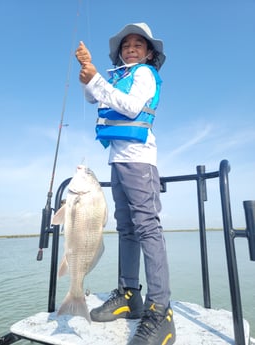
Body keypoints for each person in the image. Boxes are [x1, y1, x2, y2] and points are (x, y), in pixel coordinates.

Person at [75, 22, 176, 345]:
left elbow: (131, 107)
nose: (131, 48)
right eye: (126, 45)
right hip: (117, 162)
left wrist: (97, 79)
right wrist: (88, 73)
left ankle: (161, 309)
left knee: (147, 228)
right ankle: (130, 294)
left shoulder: (144, 74)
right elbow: (94, 98)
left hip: (139, 160)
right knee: (126, 230)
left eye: (138, 45)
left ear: (148, 53)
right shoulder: (118, 76)